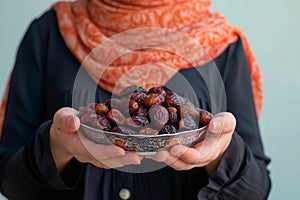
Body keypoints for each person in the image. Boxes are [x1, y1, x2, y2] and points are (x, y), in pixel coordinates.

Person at [0, 0, 271, 199]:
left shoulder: (222, 43)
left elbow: (255, 190)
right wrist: (57, 148)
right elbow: (11, 181)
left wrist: (219, 153)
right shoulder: (49, 33)